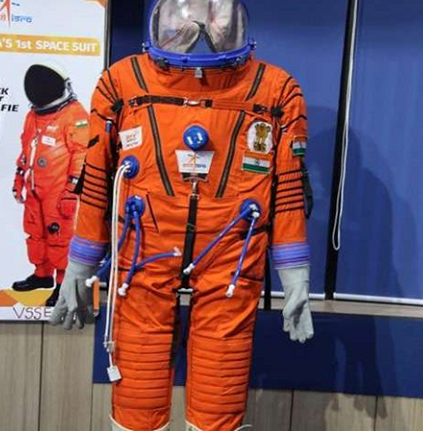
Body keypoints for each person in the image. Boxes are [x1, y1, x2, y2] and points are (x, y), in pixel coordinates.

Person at [51, 1, 315, 429]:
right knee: (137, 402)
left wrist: (296, 277)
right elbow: (97, 181)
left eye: (214, 16)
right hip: (143, 254)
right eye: (186, 16)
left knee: (218, 404)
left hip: (231, 256)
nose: (199, 27)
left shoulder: (275, 91)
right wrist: (79, 266)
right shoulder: (123, 83)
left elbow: (287, 192)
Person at [12, 63, 89, 307]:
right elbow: (26, 150)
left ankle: (63, 284)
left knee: (60, 237)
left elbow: (82, 155)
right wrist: (19, 179)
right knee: (35, 233)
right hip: (35, 189)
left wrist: (71, 191)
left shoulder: (75, 115)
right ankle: (42, 275)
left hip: (59, 191)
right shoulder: (32, 116)